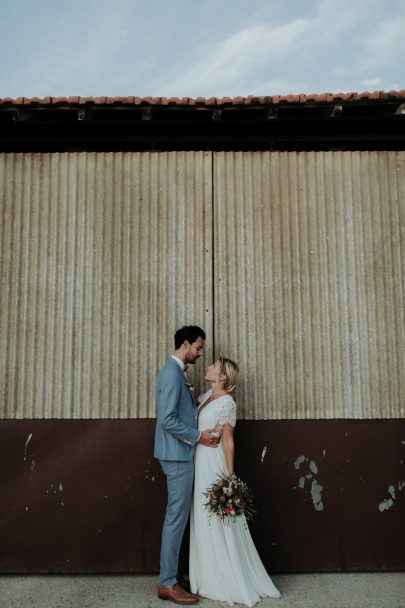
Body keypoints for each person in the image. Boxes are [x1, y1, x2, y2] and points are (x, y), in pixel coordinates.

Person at [189, 357, 281, 607]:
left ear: (222, 377)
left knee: (218, 518)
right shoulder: (206, 397)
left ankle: (226, 575)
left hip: (214, 464)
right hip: (199, 461)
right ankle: (206, 574)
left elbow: (228, 440)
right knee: (201, 515)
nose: (208, 367)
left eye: (213, 366)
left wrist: (230, 478)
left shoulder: (227, 403)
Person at [154, 326, 221, 606]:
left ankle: (171, 575)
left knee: (178, 517)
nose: (201, 352)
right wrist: (198, 436)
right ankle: (167, 583)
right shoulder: (171, 373)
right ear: (185, 344)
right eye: (199, 347)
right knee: (176, 518)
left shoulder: (179, 373)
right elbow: (167, 419)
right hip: (177, 455)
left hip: (181, 453)